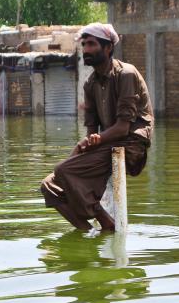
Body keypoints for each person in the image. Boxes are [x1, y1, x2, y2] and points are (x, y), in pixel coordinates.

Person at [41, 23, 154, 232]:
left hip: (131, 144)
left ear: (108, 47)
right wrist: (85, 145)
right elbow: (92, 131)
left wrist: (94, 141)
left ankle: (102, 220)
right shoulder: (89, 83)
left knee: (62, 170)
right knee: (49, 186)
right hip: (107, 144)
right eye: (84, 44)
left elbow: (122, 128)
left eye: (91, 44)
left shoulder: (126, 74)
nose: (85, 49)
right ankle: (91, 231)